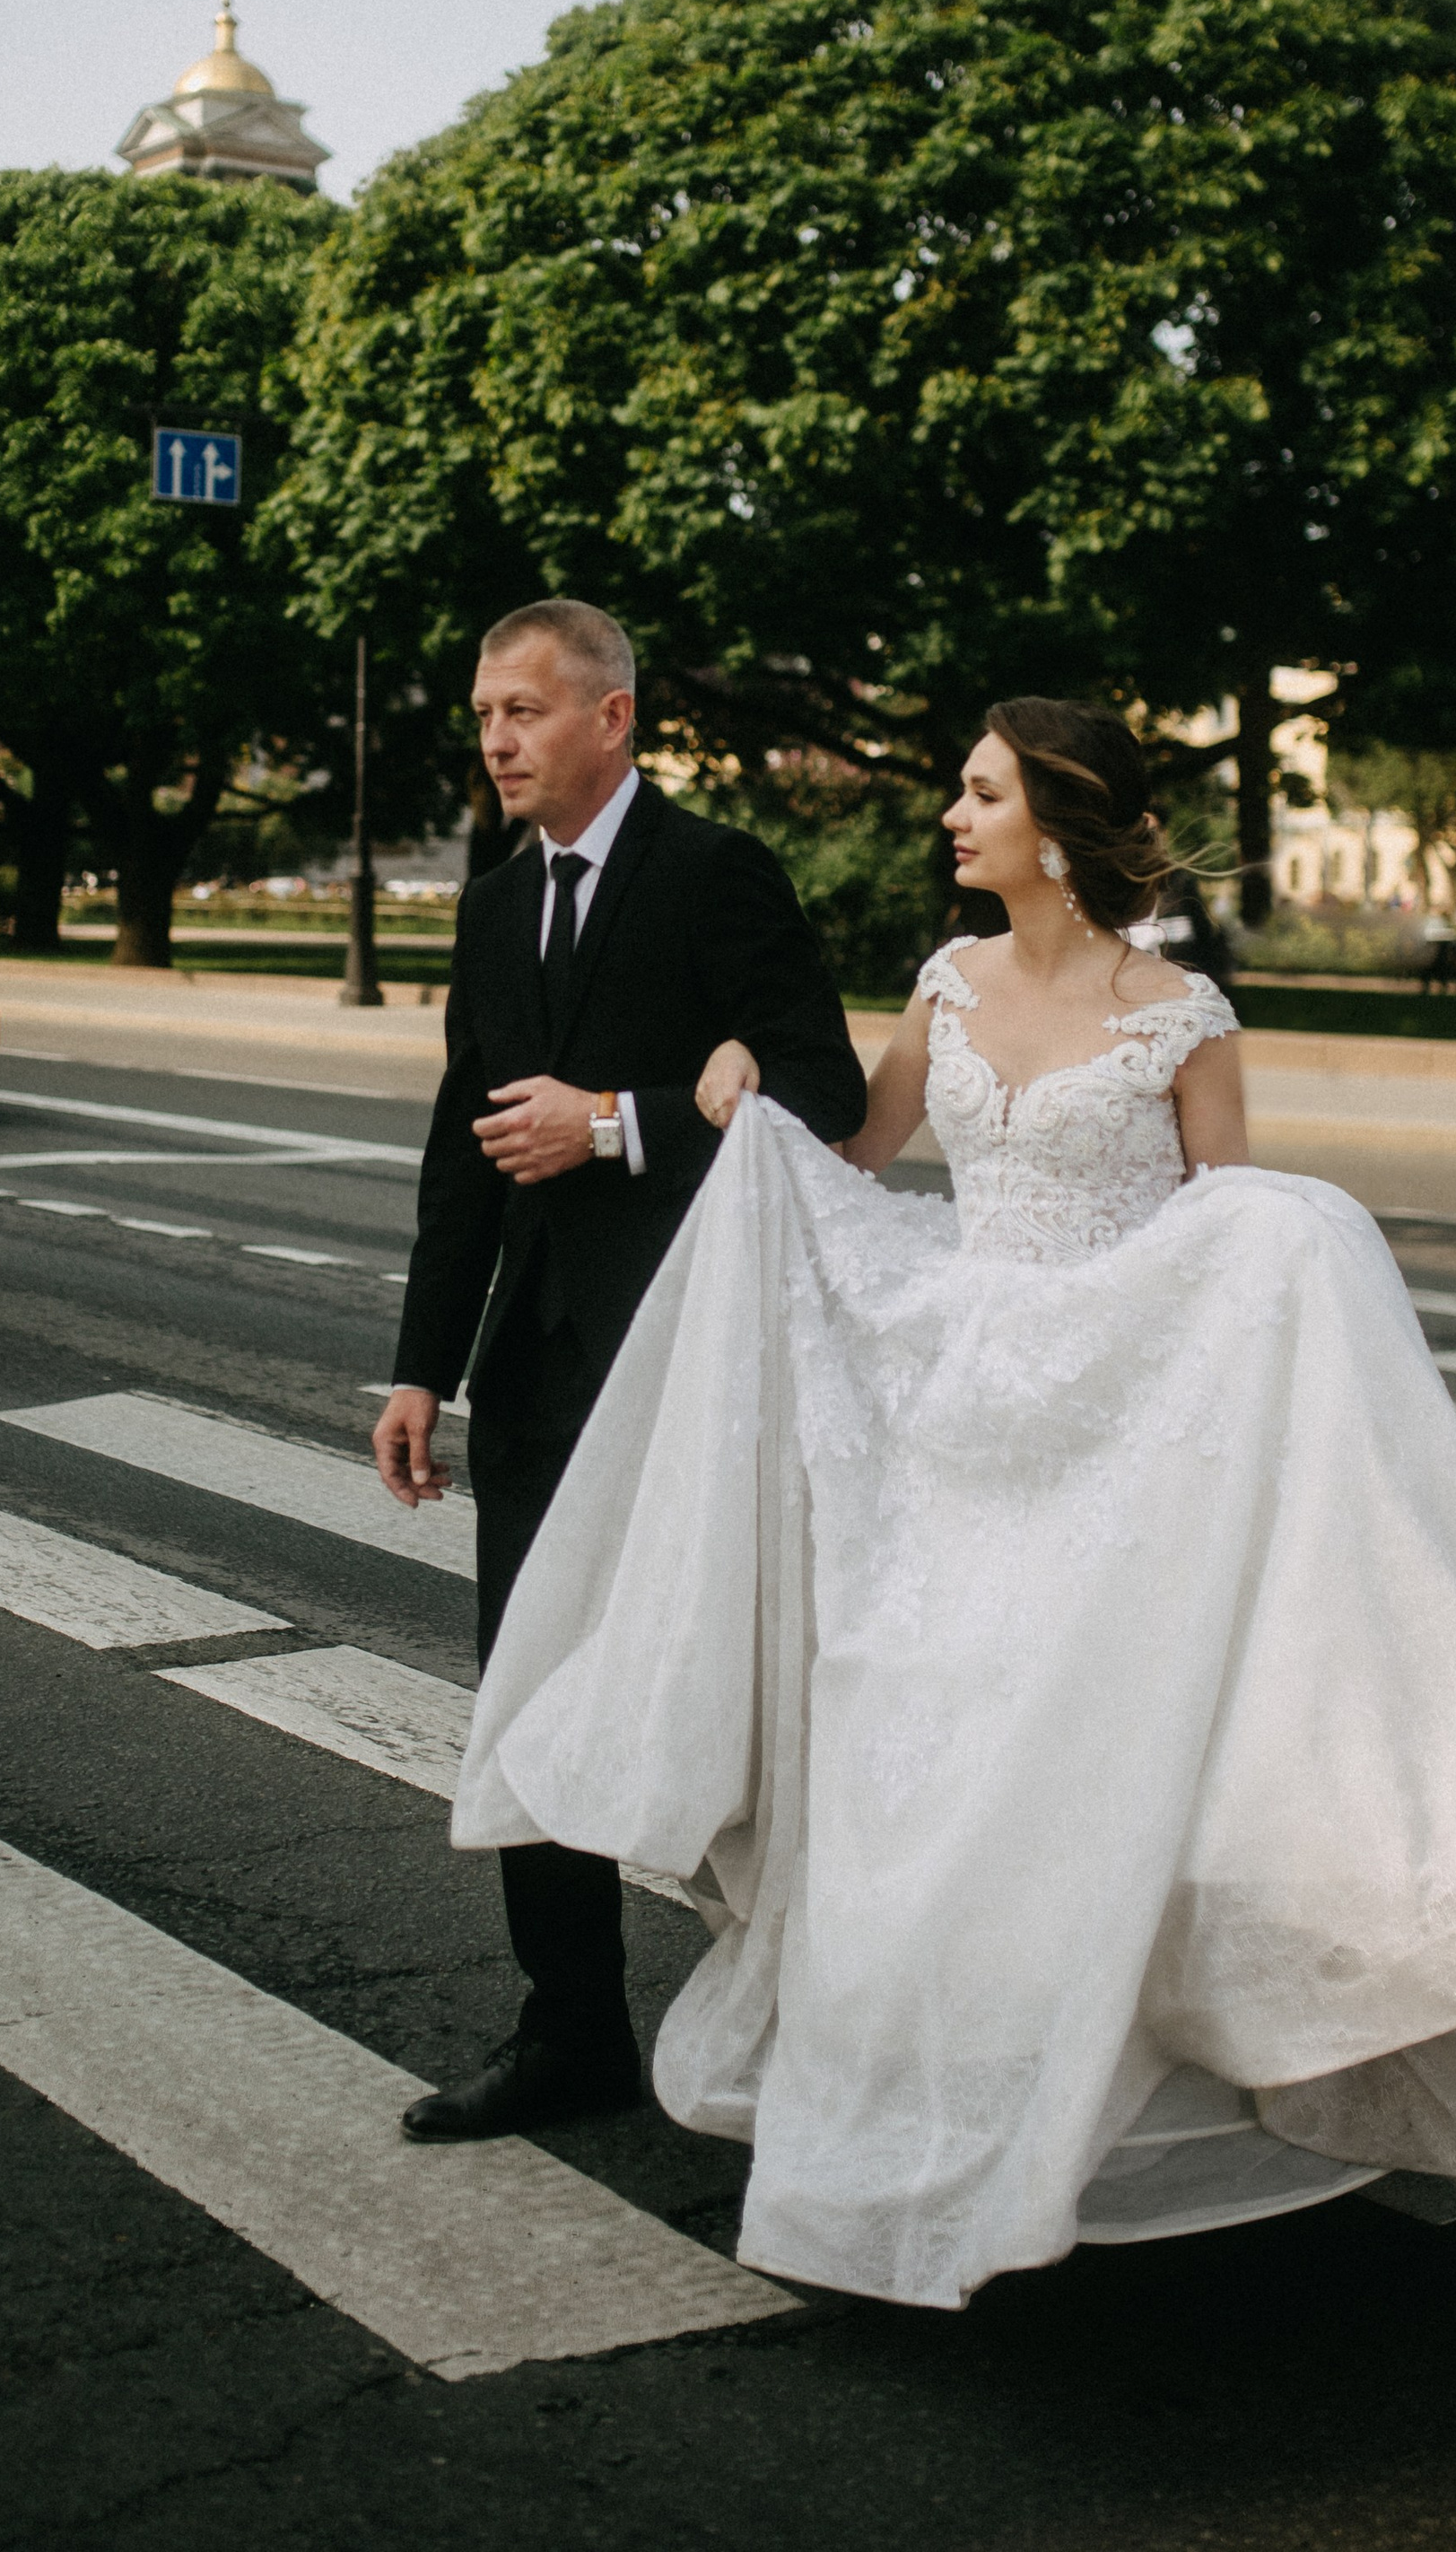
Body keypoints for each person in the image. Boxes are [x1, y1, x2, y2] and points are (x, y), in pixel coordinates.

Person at [455, 695, 1456, 2305]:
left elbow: (1229, 1248)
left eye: (979, 796)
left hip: (1119, 1433)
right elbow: (858, 1159)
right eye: (959, 794)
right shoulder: (945, 985)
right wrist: (751, 1100)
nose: (951, 820)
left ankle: (1117, 2091)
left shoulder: (1186, 1016)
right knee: (938, 1755)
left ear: (1057, 821)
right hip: (959, 1416)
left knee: (1102, 1768)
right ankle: (949, 2095)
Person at [376, 599, 866, 2144]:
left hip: (697, 1374)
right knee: (530, 1699)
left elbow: (827, 1085)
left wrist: (625, 1118)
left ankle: (823, 2020)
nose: (497, 741)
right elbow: (467, 1160)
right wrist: (418, 1370)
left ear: (613, 718)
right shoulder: (489, 909)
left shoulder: (716, 875)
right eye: (482, 717)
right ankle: (570, 2027)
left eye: (524, 711)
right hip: (534, 1371)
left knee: (747, 1703)